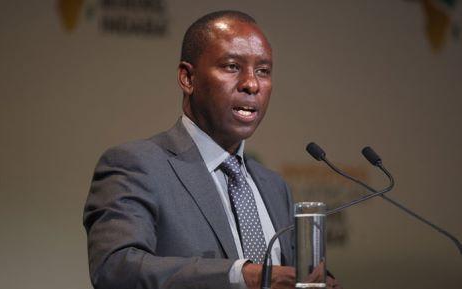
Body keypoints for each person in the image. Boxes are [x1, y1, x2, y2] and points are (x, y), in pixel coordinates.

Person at [83, 10, 341, 289]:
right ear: (187, 78)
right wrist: (243, 275)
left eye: (263, 71)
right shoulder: (136, 165)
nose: (251, 84)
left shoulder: (275, 187)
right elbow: (115, 270)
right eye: (232, 66)